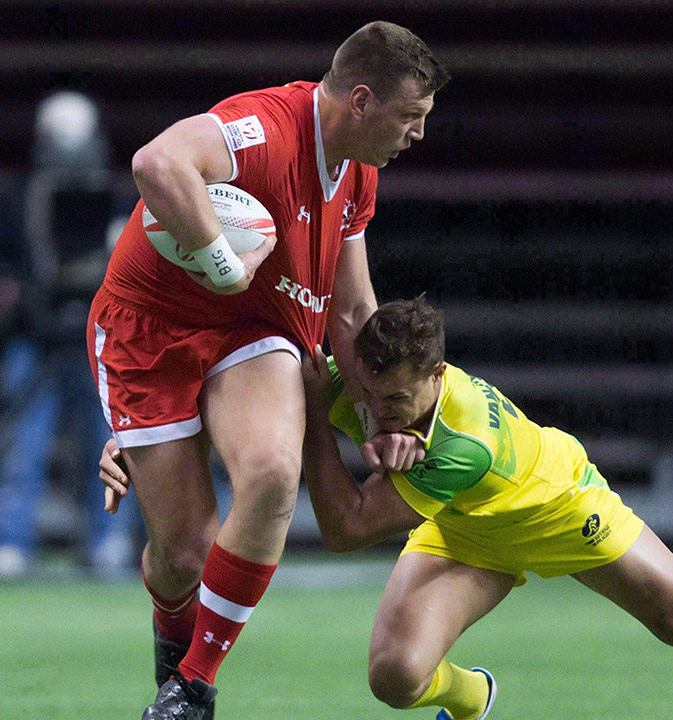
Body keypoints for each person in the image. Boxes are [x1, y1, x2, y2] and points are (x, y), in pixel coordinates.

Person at [101, 295, 673, 720]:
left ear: (436, 377)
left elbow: (343, 527)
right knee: (395, 679)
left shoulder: (461, 442)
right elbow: (232, 408)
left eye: (397, 403)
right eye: (368, 395)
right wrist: (138, 445)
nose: (379, 413)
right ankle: (475, 699)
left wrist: (315, 420)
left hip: (557, 509)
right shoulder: (365, 384)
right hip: (465, 529)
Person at [86, 21, 449, 720]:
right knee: (184, 554)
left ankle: (193, 686)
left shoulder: (359, 173)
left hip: (255, 330)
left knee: (274, 470)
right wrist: (223, 263)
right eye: (411, 115)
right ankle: (173, 653)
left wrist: (381, 419)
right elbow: (156, 163)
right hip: (149, 330)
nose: (418, 134)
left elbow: (352, 312)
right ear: (362, 100)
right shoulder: (263, 128)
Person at [0, 90, 141, 580]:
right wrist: (7, 286)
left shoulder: (117, 196)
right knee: (23, 446)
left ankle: (109, 538)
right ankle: (12, 541)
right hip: (37, 336)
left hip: (102, 343)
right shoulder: (18, 196)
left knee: (111, 445)